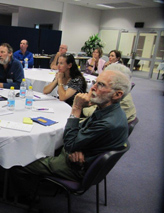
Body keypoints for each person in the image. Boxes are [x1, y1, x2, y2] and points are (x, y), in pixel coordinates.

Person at [10, 69, 131, 197]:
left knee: (19, 161)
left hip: (77, 168)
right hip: (85, 156)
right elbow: (81, 130)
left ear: (117, 95)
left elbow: (69, 143)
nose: (93, 87)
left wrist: (77, 108)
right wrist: (77, 146)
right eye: (95, 82)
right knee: (53, 142)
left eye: (101, 85)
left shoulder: (108, 123)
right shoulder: (109, 110)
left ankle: (25, 198)